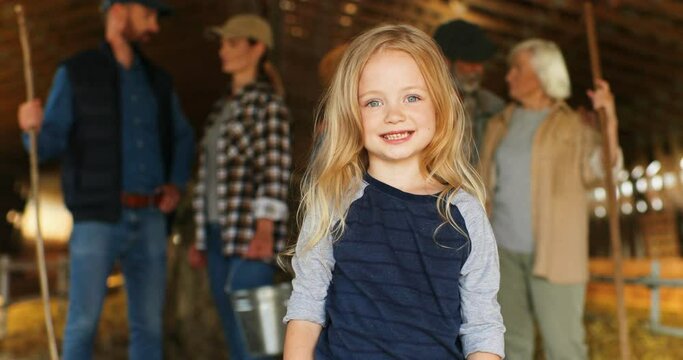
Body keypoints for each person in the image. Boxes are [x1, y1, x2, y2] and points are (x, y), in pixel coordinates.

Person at [283, 24, 504, 360]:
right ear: (351, 115)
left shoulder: (462, 212)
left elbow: (482, 324)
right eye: (373, 102)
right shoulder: (335, 201)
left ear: (439, 107)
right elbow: (307, 303)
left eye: (412, 97)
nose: (394, 115)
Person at [16, 0, 195, 359]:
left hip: (149, 218)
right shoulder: (76, 72)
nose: (155, 27)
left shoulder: (158, 81)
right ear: (118, 11)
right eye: (148, 14)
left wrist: (175, 182)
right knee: (82, 323)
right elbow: (48, 143)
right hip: (96, 217)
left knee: (149, 327)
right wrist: (29, 128)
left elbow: (183, 136)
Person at [478, 39, 622, 359]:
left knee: (563, 347)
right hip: (502, 253)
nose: (508, 76)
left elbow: (603, 169)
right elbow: (484, 183)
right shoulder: (499, 125)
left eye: (518, 69)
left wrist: (609, 120)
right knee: (510, 344)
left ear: (543, 75)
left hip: (556, 254)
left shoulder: (572, 126)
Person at [187, 14, 292, 360]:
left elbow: (275, 170)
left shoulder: (268, 105)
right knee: (233, 330)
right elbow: (209, 179)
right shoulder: (222, 108)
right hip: (218, 234)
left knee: (256, 340)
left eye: (232, 43)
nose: (222, 51)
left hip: (250, 235)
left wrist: (264, 230)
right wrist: (200, 237)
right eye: (223, 43)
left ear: (257, 48)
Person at [433, 19, 505, 161]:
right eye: (470, 62)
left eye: (481, 62)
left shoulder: (493, 107)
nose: (478, 69)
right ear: (445, 61)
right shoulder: (420, 103)